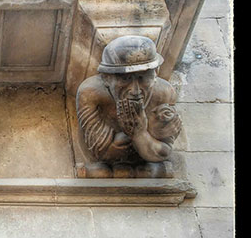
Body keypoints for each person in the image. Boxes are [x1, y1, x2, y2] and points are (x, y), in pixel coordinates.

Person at [76, 35, 182, 178]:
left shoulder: (164, 93)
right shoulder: (91, 93)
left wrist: (139, 133)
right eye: (125, 79)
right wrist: (145, 135)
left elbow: (163, 151)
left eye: (142, 78)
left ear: (155, 74)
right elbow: (102, 152)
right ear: (106, 78)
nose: (135, 90)